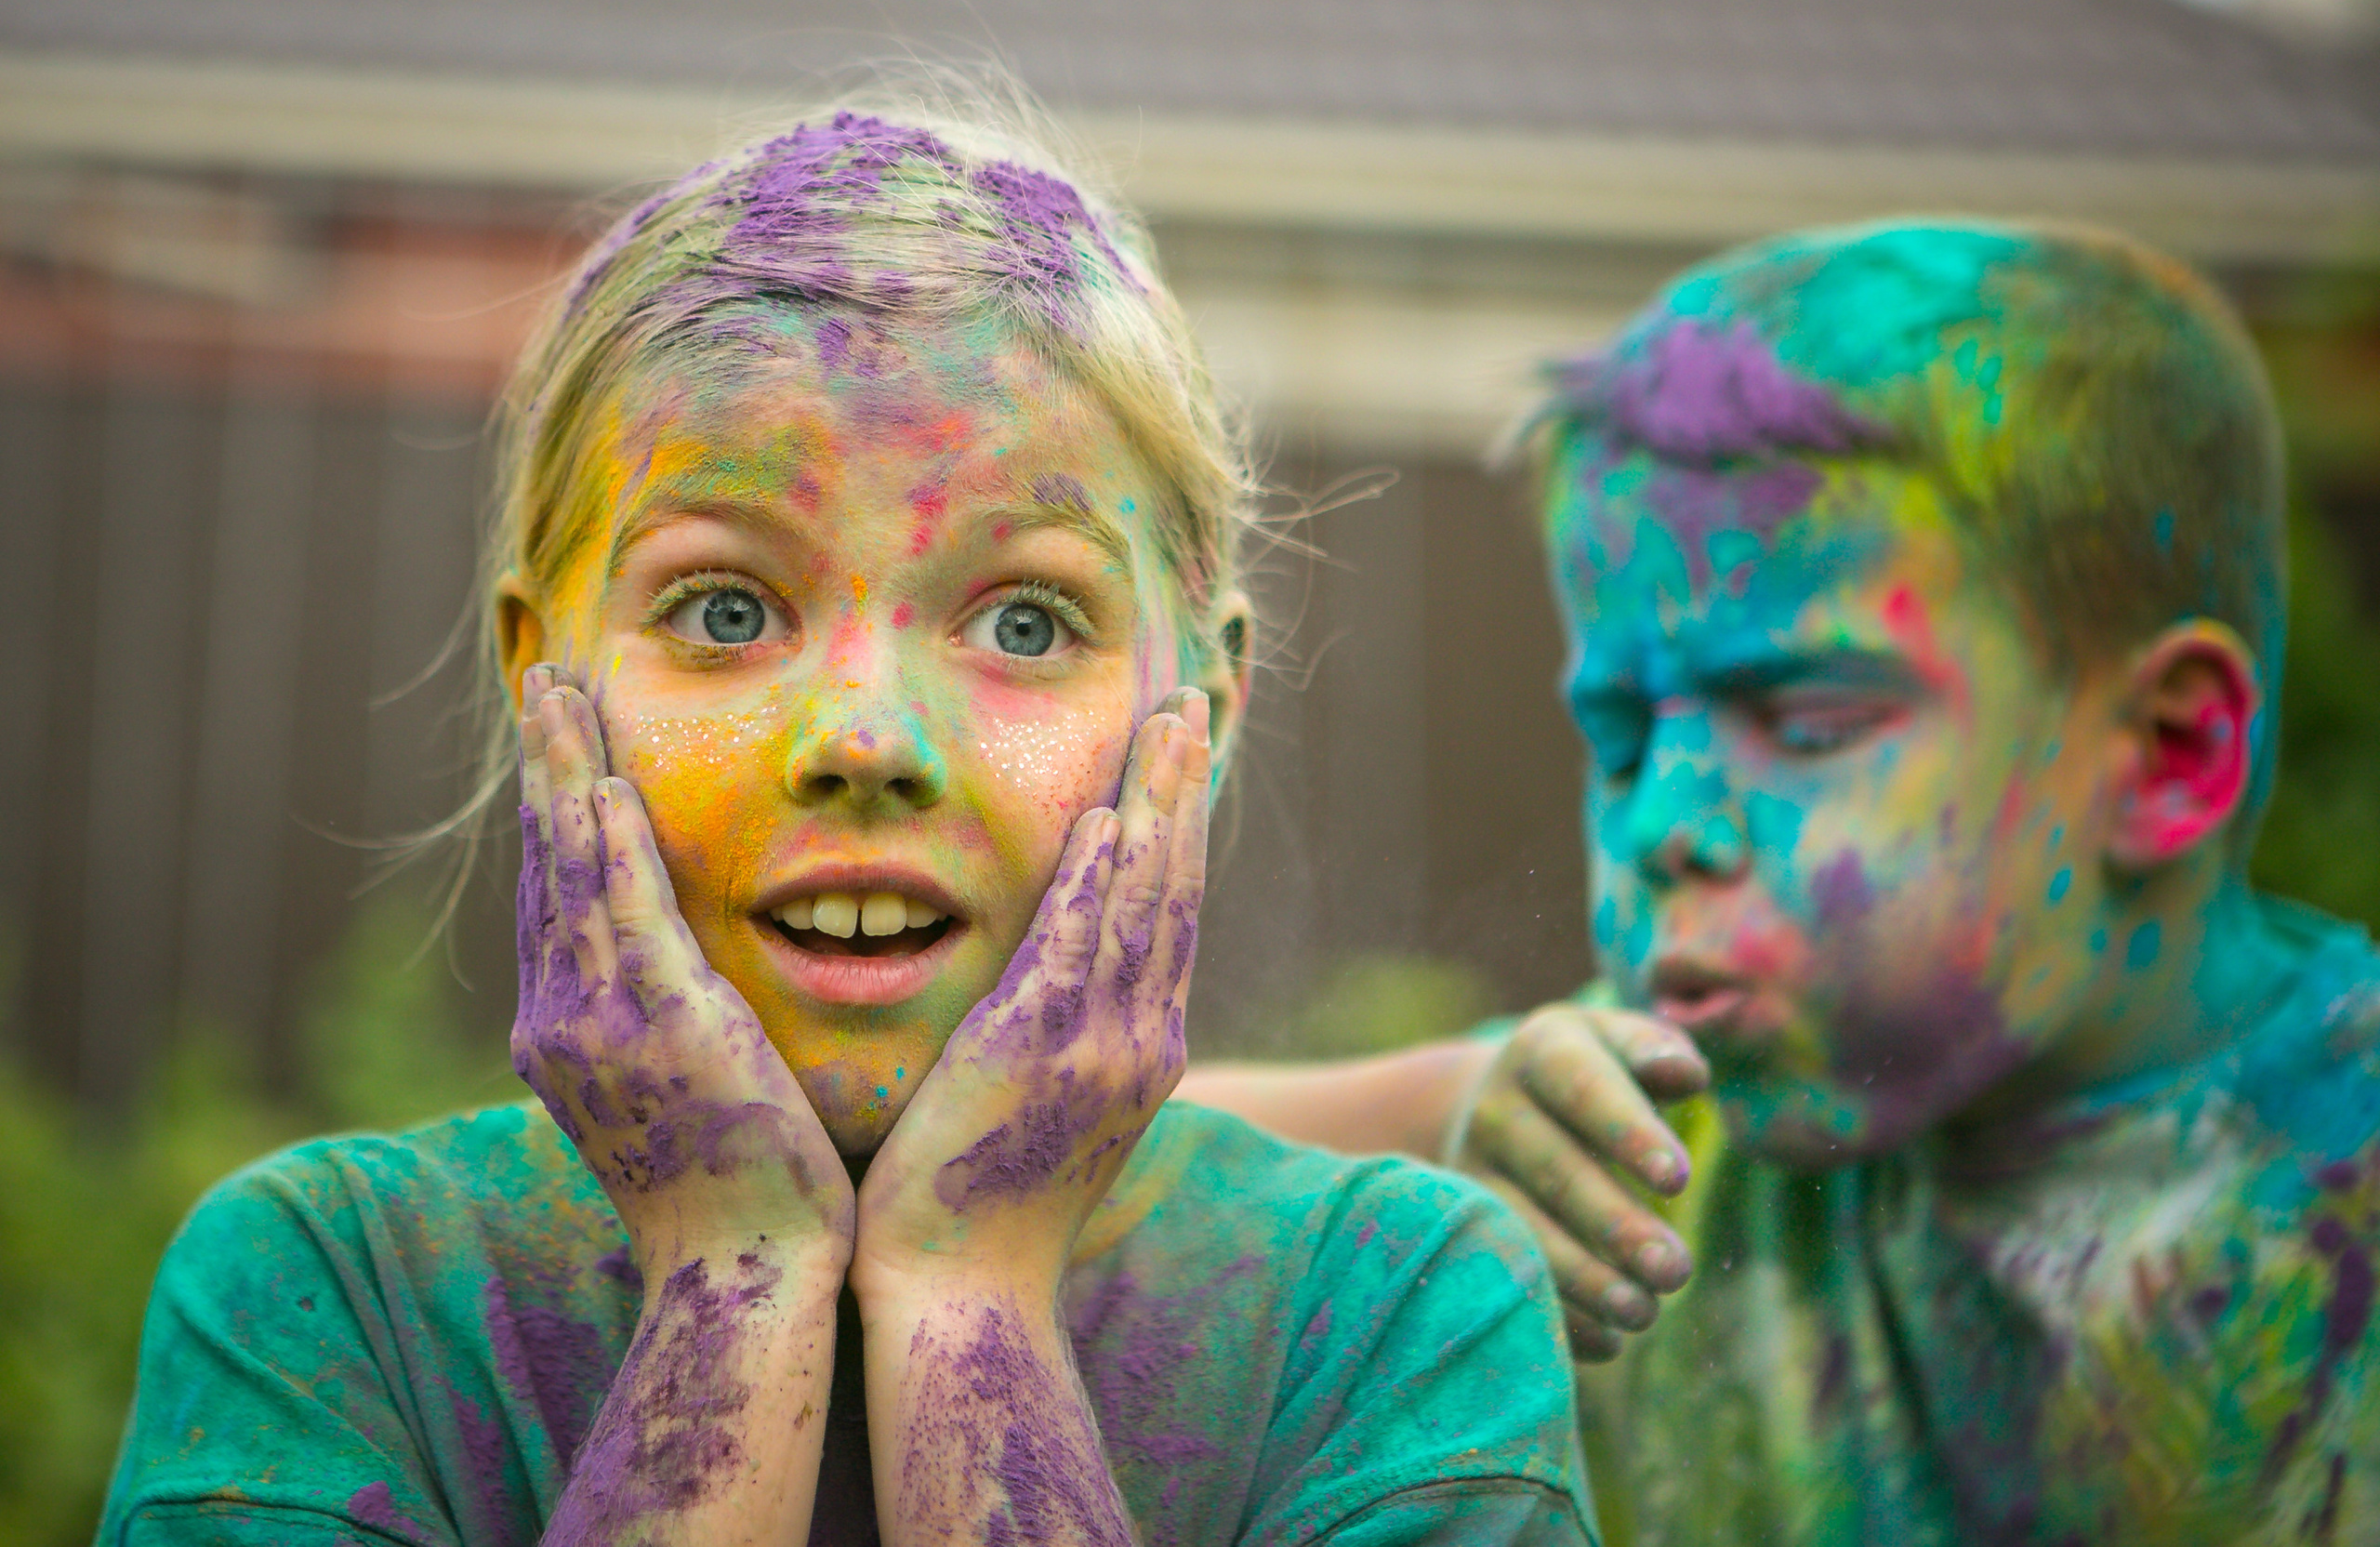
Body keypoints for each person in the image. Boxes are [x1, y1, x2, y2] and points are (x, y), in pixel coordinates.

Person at [99, 97, 1595, 1547]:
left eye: (1024, 621)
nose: (865, 742)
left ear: (1203, 706)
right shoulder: (326, 1302)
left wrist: (973, 1301)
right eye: (727, 608)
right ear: (535, 673)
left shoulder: (1402, 1318)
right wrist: (731, 1289)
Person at [1179, 219, 2380, 1544]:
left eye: (1807, 722)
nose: (1668, 828)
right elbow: (1099, 1152)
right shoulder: (1649, 1142)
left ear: (2166, 754)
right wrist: (1450, 1103)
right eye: (1627, 740)